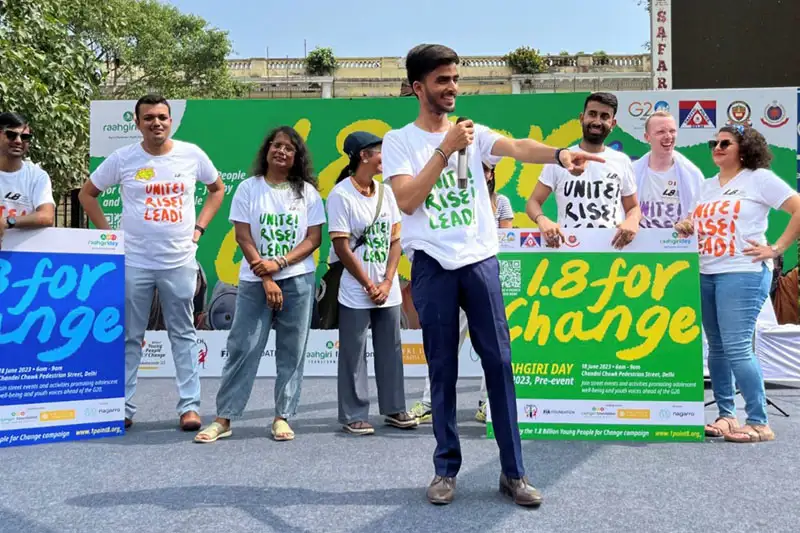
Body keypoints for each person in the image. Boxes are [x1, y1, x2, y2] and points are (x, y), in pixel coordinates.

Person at [382, 43, 602, 507]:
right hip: (433, 266)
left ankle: (513, 473)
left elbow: (519, 147)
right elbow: (407, 200)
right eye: (443, 80)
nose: (453, 88)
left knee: (500, 364)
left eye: (456, 78)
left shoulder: (473, 131)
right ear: (419, 87)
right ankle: (446, 470)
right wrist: (444, 150)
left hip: (480, 262)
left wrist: (560, 155)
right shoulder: (399, 141)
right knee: (441, 368)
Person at [79, 94, 225, 431]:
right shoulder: (123, 157)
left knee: (184, 334)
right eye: (149, 118)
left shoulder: (192, 154)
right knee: (130, 335)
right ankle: (123, 407)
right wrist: (110, 238)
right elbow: (88, 194)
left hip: (179, 261)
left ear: (170, 121)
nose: (156, 123)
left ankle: (189, 407)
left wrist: (199, 228)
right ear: (137, 122)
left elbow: (217, 189)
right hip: (135, 263)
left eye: (162, 117)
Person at [194, 126, 323, 444]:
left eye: (289, 148)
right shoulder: (248, 189)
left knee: (293, 350)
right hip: (254, 282)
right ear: (267, 150)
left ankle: (283, 416)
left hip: (298, 279)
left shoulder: (307, 192)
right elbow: (243, 236)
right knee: (243, 347)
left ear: (297, 158)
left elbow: (313, 239)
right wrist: (266, 277)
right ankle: (224, 418)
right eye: (277, 145)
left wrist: (279, 264)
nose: (282, 151)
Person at [675, 124, 800, 443]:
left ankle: (759, 422)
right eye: (713, 142)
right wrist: (689, 225)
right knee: (715, 347)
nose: (716, 147)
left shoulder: (759, 179)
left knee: (737, 345)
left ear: (744, 148)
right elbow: (698, 222)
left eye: (724, 143)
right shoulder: (706, 185)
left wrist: (776, 248)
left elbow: (797, 208)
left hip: (743, 271)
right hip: (706, 271)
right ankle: (727, 416)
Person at [326, 131, 417, 435]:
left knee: (391, 347)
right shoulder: (340, 195)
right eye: (379, 152)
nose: (384, 158)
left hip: (386, 285)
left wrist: (389, 279)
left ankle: (394, 408)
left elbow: (395, 240)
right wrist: (367, 284)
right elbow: (341, 247)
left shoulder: (387, 193)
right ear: (363, 155)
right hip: (356, 288)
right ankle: (353, 413)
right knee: (353, 350)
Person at [410, 161, 512, 425]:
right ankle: (429, 402)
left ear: (492, 174)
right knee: (444, 345)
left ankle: (486, 403)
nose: (485, 173)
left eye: (489, 169)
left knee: (492, 348)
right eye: (481, 168)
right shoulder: (452, 197)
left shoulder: (501, 202)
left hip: (485, 278)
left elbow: (507, 238)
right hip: (452, 276)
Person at [526, 92, 641, 249]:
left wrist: (632, 220)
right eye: (592, 114)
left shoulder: (621, 161)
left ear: (613, 124)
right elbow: (533, 202)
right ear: (581, 118)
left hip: (611, 250)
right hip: (568, 249)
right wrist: (542, 220)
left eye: (604, 116)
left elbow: (633, 207)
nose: (597, 121)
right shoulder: (560, 158)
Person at [633, 110, 704, 228]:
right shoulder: (632, 172)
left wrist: (689, 222)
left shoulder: (692, 174)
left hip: (678, 244)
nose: (668, 137)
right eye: (661, 132)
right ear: (647, 137)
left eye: (672, 131)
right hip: (640, 243)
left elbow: (701, 213)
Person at [0, 112, 55, 247]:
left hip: (21, 256)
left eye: (25, 137)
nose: (18, 141)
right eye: (11, 135)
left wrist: (7, 222)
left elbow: (47, 216)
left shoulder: (37, 176)